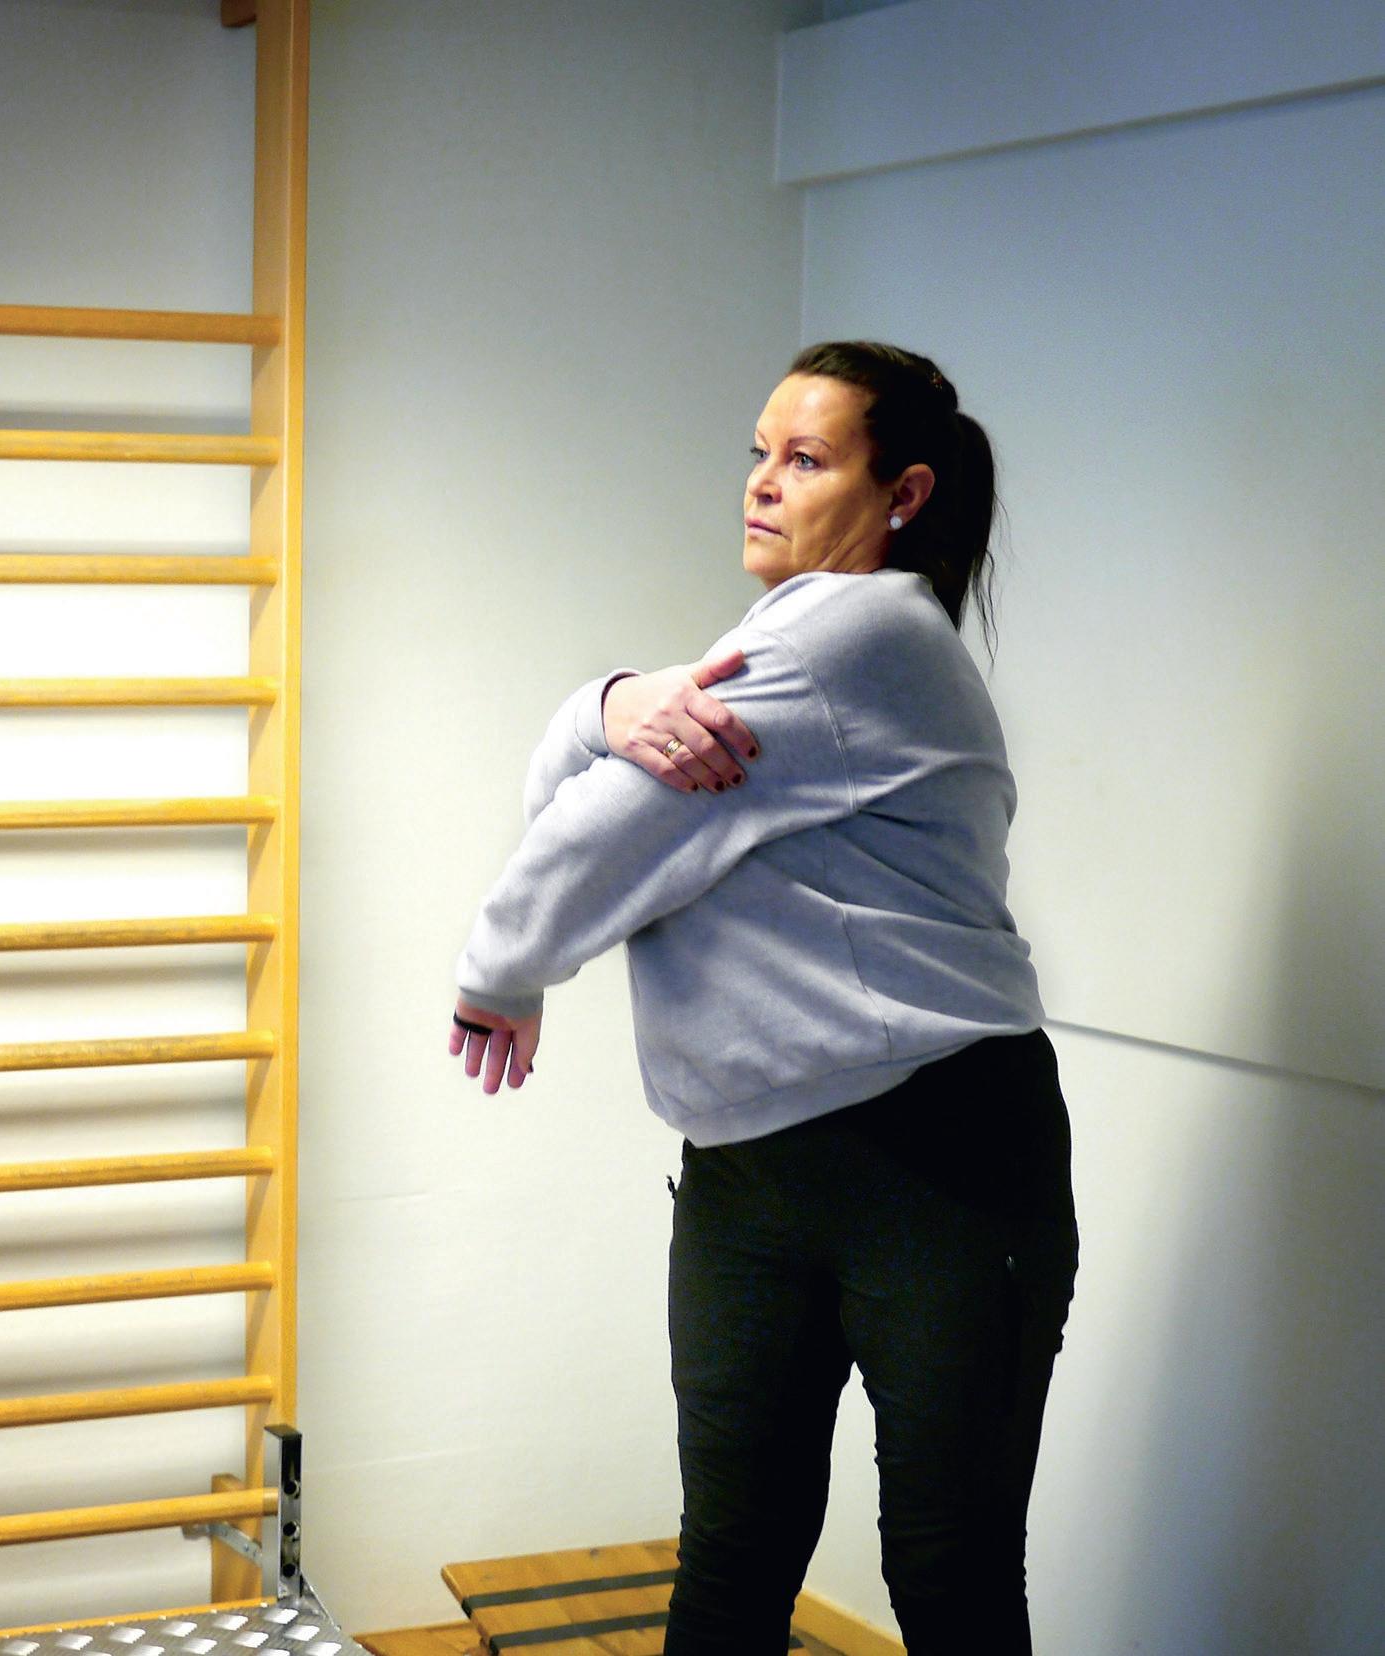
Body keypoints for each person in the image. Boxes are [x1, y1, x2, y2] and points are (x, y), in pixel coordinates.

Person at [448, 342, 1077, 1653]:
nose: (762, 484)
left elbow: (609, 829)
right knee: (732, 1564)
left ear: (903, 494)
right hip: (751, 1174)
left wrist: (498, 974)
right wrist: (608, 702)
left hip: (940, 1159)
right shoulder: (789, 641)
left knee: (949, 1576)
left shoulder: (859, 630)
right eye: (758, 454)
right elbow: (588, 796)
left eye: (806, 458)